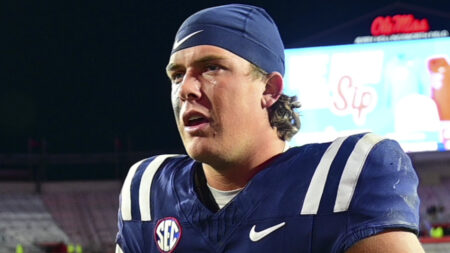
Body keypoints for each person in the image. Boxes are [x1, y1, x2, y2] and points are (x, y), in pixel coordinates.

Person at [115, 4, 424, 253]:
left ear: (270, 89)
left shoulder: (343, 178)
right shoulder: (148, 192)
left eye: (211, 67)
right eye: (177, 74)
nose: (186, 89)